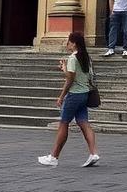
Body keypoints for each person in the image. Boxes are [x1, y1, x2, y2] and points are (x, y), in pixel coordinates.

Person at [38, 31, 100, 168]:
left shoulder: (73, 58)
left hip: (74, 95)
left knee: (63, 123)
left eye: (69, 42)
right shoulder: (86, 57)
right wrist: (65, 69)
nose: (68, 44)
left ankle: (53, 157)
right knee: (84, 123)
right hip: (85, 94)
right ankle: (94, 153)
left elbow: (70, 79)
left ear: (74, 43)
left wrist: (61, 95)